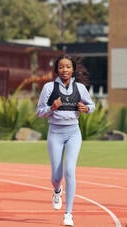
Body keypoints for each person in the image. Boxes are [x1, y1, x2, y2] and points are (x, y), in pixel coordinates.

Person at [36, 55, 95, 226]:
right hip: (55, 132)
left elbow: (91, 106)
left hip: (73, 133)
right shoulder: (49, 88)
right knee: (56, 175)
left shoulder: (80, 88)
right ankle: (57, 190)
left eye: (68, 67)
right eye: (61, 67)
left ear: (73, 69)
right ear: (56, 70)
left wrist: (86, 108)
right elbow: (39, 111)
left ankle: (68, 213)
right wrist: (51, 108)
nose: (64, 70)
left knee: (70, 170)